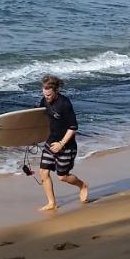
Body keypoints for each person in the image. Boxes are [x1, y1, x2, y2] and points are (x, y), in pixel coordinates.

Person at [35, 74, 90, 211]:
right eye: (44, 93)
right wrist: (32, 137)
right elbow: (39, 118)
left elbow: (73, 127)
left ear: (55, 91)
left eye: (49, 94)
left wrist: (61, 144)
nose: (46, 97)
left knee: (62, 176)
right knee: (43, 172)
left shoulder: (65, 103)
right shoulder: (44, 101)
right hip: (50, 142)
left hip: (66, 146)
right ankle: (52, 203)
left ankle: (82, 185)